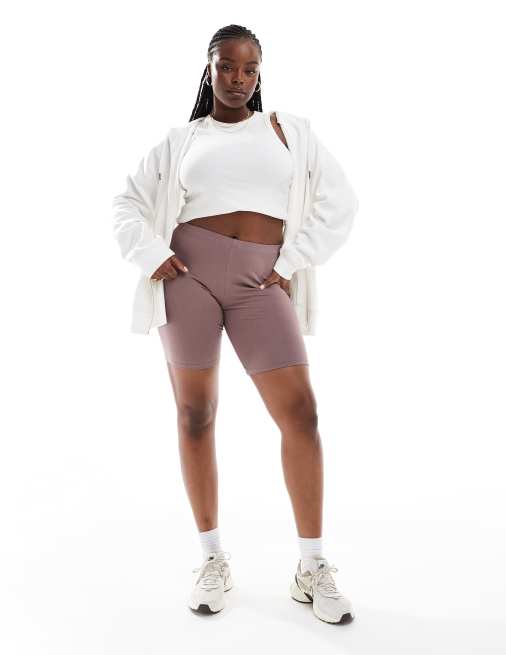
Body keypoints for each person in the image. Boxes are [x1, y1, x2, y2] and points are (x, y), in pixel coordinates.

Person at [112, 24, 359, 624]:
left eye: (249, 69)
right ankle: (212, 558)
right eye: (226, 66)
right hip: (188, 277)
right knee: (195, 414)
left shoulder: (288, 132)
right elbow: (128, 203)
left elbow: (341, 202)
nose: (237, 78)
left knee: (301, 413)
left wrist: (291, 262)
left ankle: (312, 566)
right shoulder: (182, 139)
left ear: (260, 73)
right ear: (209, 69)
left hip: (261, 281)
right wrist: (151, 254)